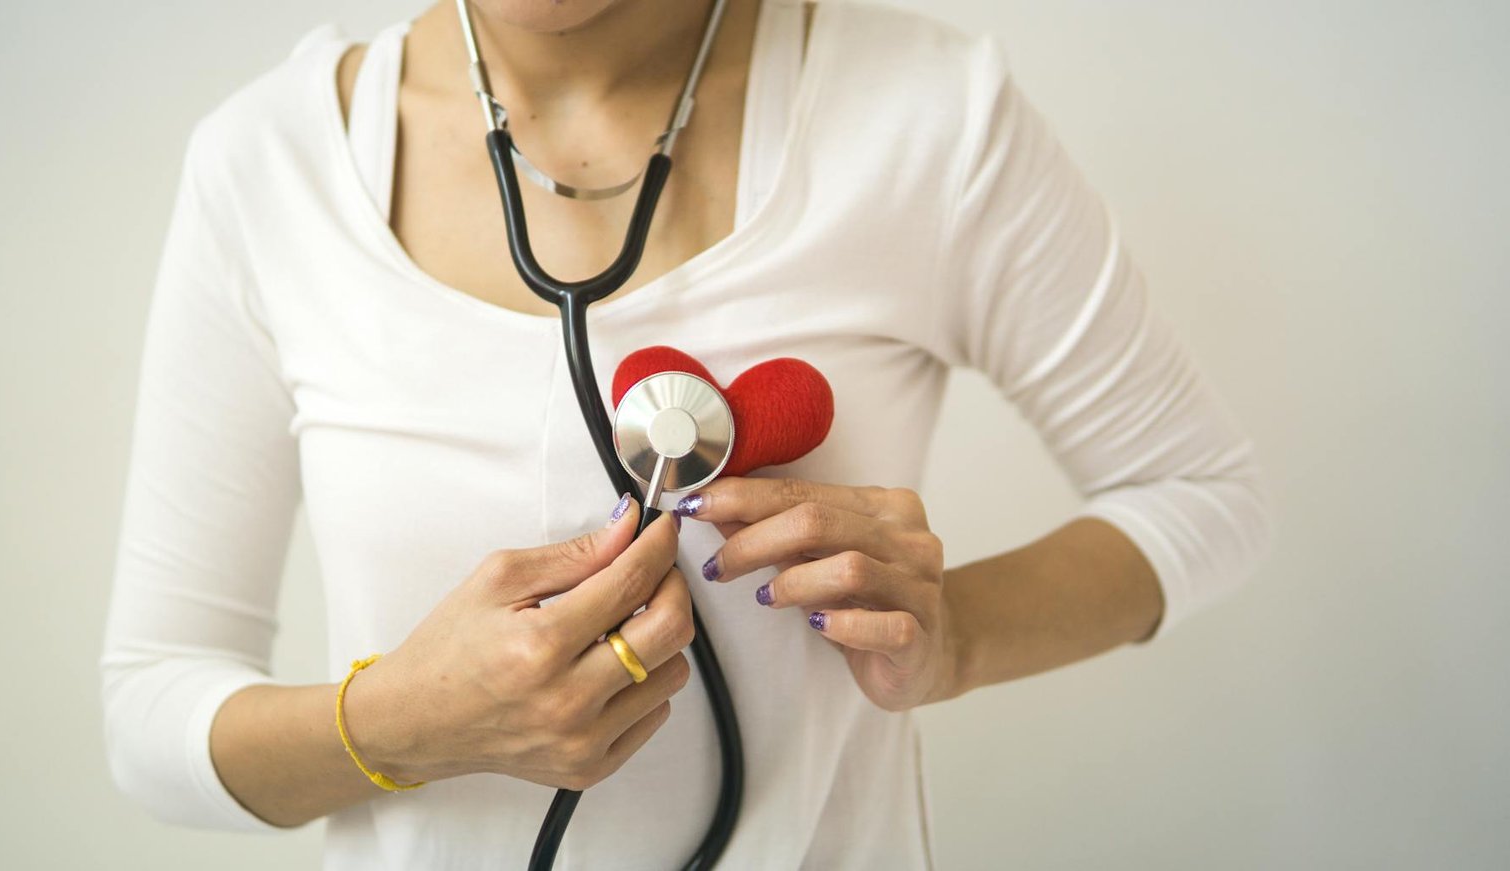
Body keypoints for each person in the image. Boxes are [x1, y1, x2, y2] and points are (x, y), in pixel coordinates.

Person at [99, 0, 1275, 867]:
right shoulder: (270, 165)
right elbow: (150, 710)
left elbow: (1199, 495)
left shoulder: (925, 116)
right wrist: (405, 723)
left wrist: (952, 632)